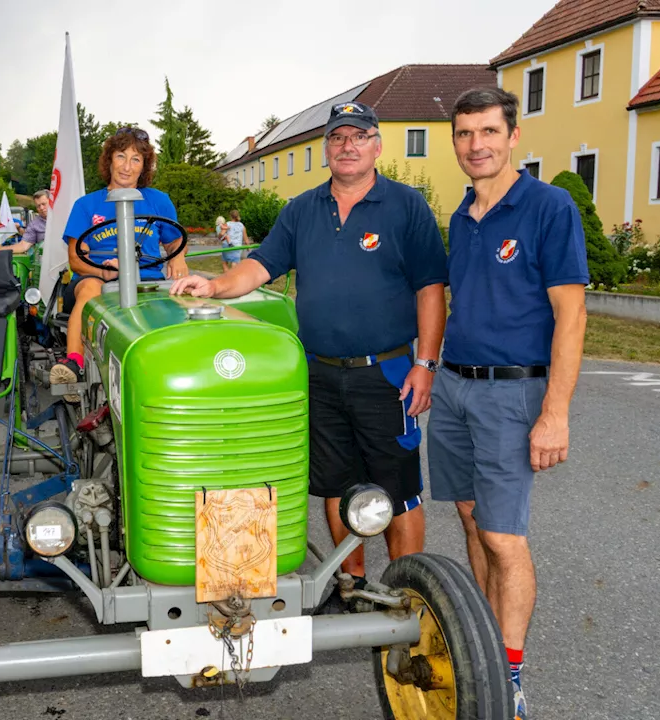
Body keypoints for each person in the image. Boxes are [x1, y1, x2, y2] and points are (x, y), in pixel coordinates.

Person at [170, 101, 447, 592]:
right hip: (317, 372)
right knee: (337, 485)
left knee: (399, 490)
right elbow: (259, 266)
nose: (348, 146)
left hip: (385, 372)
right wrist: (212, 286)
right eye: (338, 138)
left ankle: (412, 591)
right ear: (326, 149)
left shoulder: (407, 207)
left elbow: (430, 290)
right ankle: (352, 580)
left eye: (358, 137)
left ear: (376, 147)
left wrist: (425, 364)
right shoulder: (301, 210)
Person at [429, 87, 588, 720]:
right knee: (470, 517)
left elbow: (571, 316)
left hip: (512, 391)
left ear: (513, 136)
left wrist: (555, 411)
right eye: (465, 134)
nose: (477, 145)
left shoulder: (548, 207)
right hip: (455, 386)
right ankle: (485, 649)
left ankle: (510, 680)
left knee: (503, 534)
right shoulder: (461, 216)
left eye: (489, 132)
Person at [49, 127, 188, 389]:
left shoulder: (159, 201)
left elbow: (174, 242)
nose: (127, 166)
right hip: (96, 280)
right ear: (109, 159)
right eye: (121, 156)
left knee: (186, 295)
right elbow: (76, 259)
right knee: (90, 289)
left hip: (148, 280)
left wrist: (178, 257)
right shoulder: (86, 205)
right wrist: (104, 273)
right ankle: (74, 363)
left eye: (136, 159)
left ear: (144, 167)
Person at [6, 188, 50, 255]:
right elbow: (23, 245)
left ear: (51, 202)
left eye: (44, 204)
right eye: (38, 206)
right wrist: (0, 249)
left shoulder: (65, 217)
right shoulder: (34, 225)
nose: (41, 208)